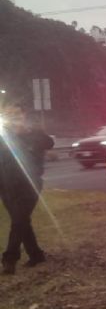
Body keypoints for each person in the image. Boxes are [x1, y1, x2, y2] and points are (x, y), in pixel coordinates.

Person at [0, 101, 55, 275]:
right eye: (9, 114)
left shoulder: (33, 132)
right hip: (6, 184)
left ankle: (10, 259)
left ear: (24, 115)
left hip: (30, 183)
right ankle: (36, 255)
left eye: (17, 114)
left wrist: (30, 132)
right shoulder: (3, 135)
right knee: (22, 220)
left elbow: (49, 143)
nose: (14, 118)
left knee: (18, 220)